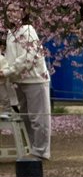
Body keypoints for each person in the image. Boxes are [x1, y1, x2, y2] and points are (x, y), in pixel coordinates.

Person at [0, 14, 51, 161]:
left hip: (35, 79)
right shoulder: (11, 33)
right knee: (26, 118)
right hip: (18, 80)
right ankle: (33, 149)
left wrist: (7, 71)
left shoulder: (28, 30)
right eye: (9, 11)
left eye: (15, 10)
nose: (11, 14)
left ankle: (41, 152)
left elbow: (27, 57)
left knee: (38, 117)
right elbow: (10, 58)